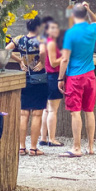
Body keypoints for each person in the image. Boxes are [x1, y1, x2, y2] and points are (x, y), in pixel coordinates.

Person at [58, 3, 96, 158]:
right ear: (85, 15)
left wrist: (60, 78)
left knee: (75, 112)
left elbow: (64, 59)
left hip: (75, 77)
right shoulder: (92, 29)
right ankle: (90, 147)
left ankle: (76, 148)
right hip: (90, 75)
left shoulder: (70, 33)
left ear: (72, 15)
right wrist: (89, 9)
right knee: (89, 111)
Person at [6, 16, 47, 156]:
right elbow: (42, 51)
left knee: (23, 114)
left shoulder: (19, 39)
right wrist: (42, 62)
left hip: (25, 78)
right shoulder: (40, 39)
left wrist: (19, 61)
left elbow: (6, 50)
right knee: (37, 114)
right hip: (39, 78)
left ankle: (21, 147)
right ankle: (34, 148)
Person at [39, 18, 64, 147]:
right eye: (52, 28)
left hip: (48, 77)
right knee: (53, 110)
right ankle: (52, 139)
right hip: (53, 77)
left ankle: (43, 138)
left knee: (47, 109)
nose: (55, 30)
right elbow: (54, 62)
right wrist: (65, 57)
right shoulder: (51, 43)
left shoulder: (48, 42)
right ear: (47, 30)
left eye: (56, 27)